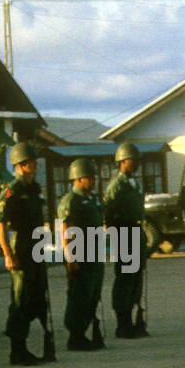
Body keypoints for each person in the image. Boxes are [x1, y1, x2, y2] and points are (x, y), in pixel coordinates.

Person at [0, 141, 51, 365]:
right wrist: (8, 254)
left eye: (35, 161)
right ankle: (17, 349)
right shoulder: (12, 190)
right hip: (20, 246)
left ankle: (29, 345)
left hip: (36, 245)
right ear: (20, 165)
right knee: (20, 298)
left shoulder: (35, 189)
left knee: (37, 295)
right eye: (30, 161)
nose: (35, 164)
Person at [58, 158, 106, 351]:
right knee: (79, 296)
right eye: (89, 177)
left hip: (94, 255)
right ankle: (75, 335)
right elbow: (65, 230)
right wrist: (71, 260)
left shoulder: (91, 199)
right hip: (80, 255)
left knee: (92, 294)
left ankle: (85, 331)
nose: (93, 180)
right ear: (77, 179)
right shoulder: (72, 200)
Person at [103, 141, 149, 338]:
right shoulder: (116, 186)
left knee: (136, 278)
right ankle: (122, 323)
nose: (136, 163)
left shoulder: (133, 183)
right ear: (122, 162)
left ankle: (133, 320)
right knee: (125, 280)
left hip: (135, 232)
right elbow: (108, 213)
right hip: (123, 232)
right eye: (133, 160)